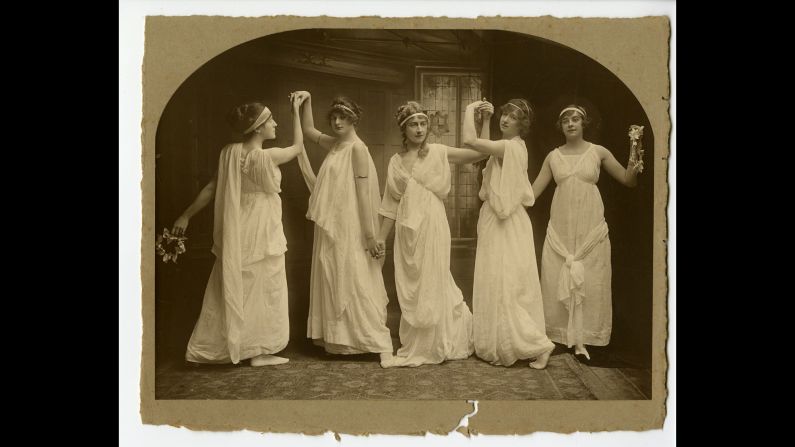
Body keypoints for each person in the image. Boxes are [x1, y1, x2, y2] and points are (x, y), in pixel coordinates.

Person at [171, 95, 306, 367]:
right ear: (258, 128)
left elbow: (211, 188)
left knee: (239, 282)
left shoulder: (229, 152)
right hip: (262, 226)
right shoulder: (268, 155)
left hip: (239, 225)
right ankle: (256, 350)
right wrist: (295, 111)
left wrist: (186, 216)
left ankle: (234, 346)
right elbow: (299, 147)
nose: (275, 124)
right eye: (271, 121)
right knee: (264, 283)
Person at [374, 101, 489, 367]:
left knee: (433, 279)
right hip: (406, 228)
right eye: (413, 124)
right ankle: (416, 342)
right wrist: (381, 237)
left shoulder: (438, 151)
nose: (419, 129)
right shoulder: (396, 161)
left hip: (433, 224)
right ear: (404, 129)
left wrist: (479, 118)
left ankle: (438, 341)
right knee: (412, 283)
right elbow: (390, 203)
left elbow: (477, 155)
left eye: (423, 123)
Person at [292, 91, 397, 368]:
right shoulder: (336, 144)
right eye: (335, 117)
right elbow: (308, 130)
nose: (338, 122)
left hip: (353, 224)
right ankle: (342, 339)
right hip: (334, 223)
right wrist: (308, 100)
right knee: (334, 272)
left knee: (353, 274)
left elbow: (364, 194)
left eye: (344, 117)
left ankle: (371, 339)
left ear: (354, 119)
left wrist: (370, 234)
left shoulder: (357, 149)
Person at [532, 104, 640, 361]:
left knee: (592, 280)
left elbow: (628, 180)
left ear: (584, 123)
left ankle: (586, 338)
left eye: (576, 119)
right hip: (561, 229)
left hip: (590, 228)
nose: (571, 123)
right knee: (555, 277)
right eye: (566, 120)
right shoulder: (552, 156)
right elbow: (531, 194)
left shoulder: (598, 152)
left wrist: (635, 154)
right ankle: (558, 336)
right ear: (561, 126)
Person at [461, 98, 555, 369]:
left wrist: (470, 111)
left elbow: (471, 143)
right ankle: (500, 344)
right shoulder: (503, 149)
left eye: (512, 117)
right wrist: (487, 120)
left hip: (508, 223)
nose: (506, 119)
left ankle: (538, 345)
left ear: (522, 125)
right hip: (494, 220)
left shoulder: (512, 148)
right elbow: (483, 151)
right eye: (504, 115)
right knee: (495, 281)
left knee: (509, 284)